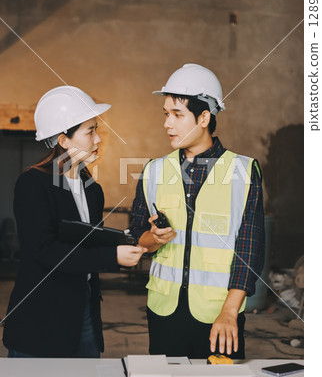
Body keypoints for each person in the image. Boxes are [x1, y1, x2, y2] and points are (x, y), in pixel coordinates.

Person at [130, 64, 265, 359]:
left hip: (219, 315)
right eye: (166, 114)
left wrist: (230, 312)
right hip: (163, 311)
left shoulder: (243, 171)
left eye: (178, 115)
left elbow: (250, 248)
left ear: (204, 117)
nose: (168, 124)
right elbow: (136, 239)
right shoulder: (154, 170)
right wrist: (153, 238)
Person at [3, 86, 146, 358]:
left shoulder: (91, 188)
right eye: (90, 131)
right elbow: (46, 251)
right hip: (41, 319)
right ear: (64, 140)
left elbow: (87, 242)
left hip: (84, 313)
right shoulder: (33, 184)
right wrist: (113, 256)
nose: (98, 140)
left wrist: (131, 240)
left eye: (97, 130)